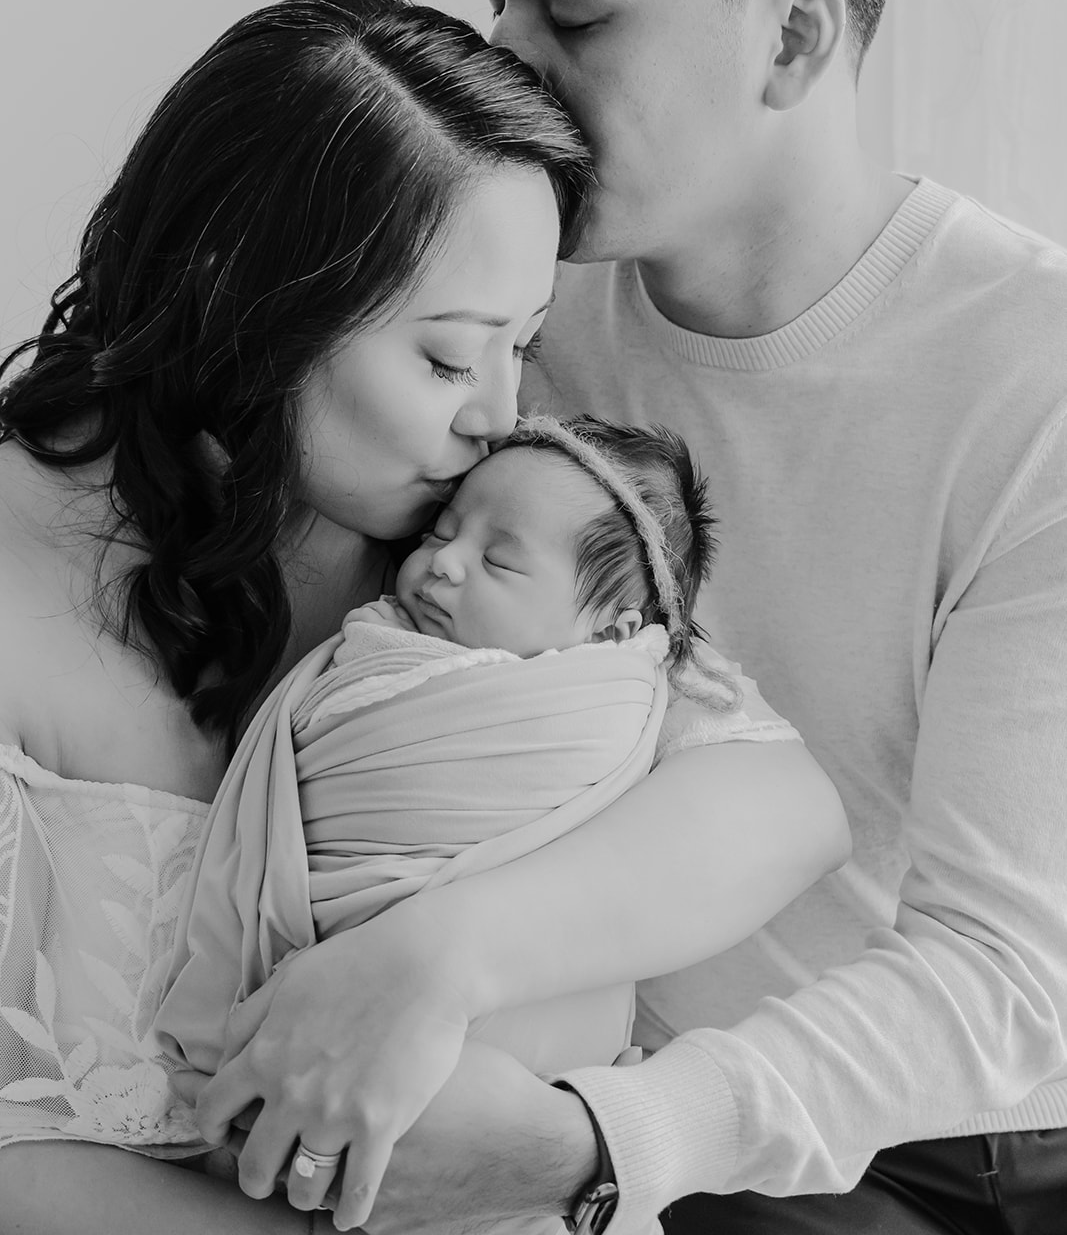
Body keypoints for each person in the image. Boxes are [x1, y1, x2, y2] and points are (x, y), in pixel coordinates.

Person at [188, 0, 1067, 1235]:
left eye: (567, 6)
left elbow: (1010, 980)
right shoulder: (497, 315)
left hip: (901, 1148)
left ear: (792, 37)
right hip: (512, 1062)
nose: (500, 62)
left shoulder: (1032, 380)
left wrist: (590, 1137)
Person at [0, 0, 847, 1235]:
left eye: (525, 344)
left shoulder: (461, 531)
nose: (499, 413)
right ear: (250, 302)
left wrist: (432, 960)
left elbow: (780, 805)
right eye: (449, 357)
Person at [156, 416, 757, 1114]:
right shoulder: (378, 643)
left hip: (499, 1036)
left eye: (498, 561)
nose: (442, 562)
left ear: (612, 633)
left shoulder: (606, 702)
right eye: (441, 533)